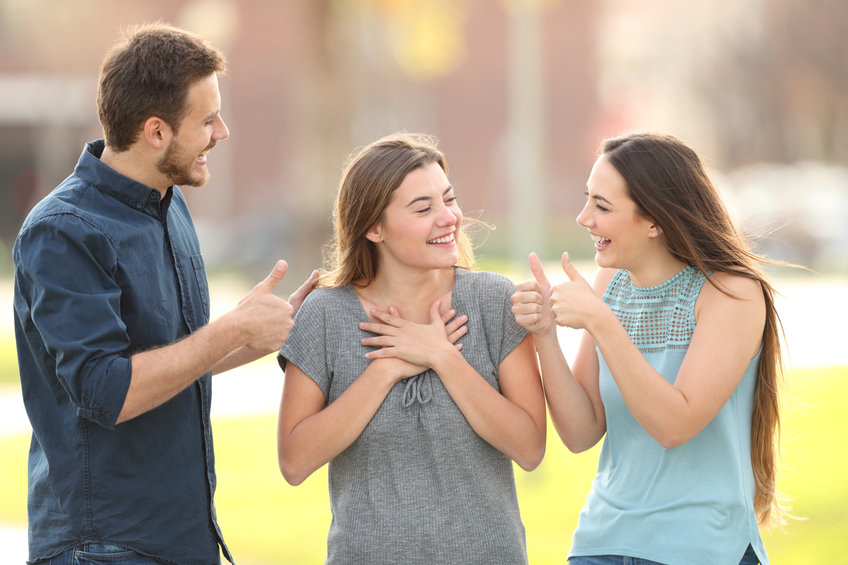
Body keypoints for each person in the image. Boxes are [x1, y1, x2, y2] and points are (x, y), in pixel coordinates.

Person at [13, 23, 317, 564]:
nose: (222, 132)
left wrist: (260, 334)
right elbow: (107, 391)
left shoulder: (169, 205)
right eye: (207, 120)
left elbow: (170, 360)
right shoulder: (62, 231)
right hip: (104, 548)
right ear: (156, 132)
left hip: (180, 538)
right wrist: (230, 328)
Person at [511, 132, 783, 565]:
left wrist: (600, 321)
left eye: (602, 206)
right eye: (587, 200)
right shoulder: (609, 283)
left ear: (655, 220)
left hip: (702, 549)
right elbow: (581, 433)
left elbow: (674, 425)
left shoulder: (732, 293)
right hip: (602, 543)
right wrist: (544, 333)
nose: (584, 218)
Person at [276, 132, 546, 564]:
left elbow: (530, 448)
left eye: (449, 199)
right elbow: (294, 462)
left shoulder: (494, 301)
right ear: (373, 227)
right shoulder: (325, 315)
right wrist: (386, 368)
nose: (449, 218)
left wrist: (442, 356)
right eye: (423, 209)